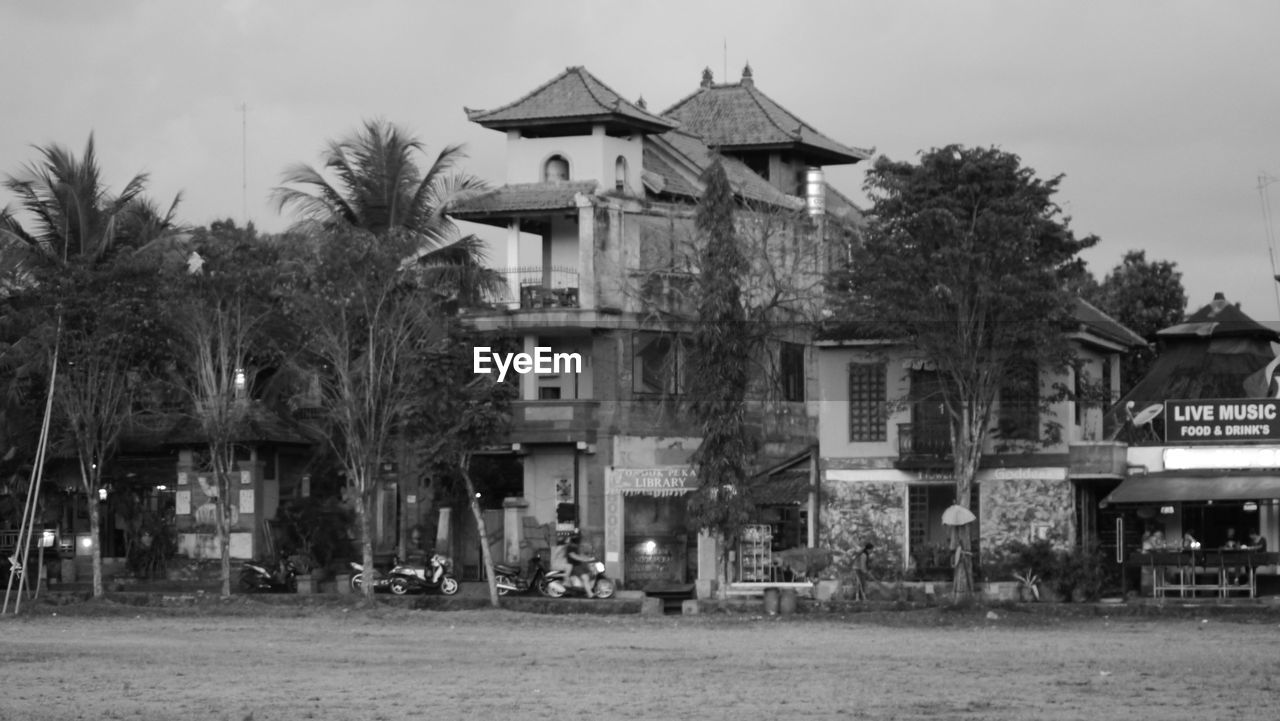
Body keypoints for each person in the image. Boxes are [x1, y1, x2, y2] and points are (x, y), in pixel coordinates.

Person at [565, 534, 594, 598]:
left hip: (580, 565)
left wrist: (589, 558)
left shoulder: (577, 547)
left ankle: (586, 589)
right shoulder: (570, 547)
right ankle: (590, 594)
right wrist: (585, 559)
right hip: (575, 566)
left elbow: (582, 555)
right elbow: (574, 556)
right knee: (585, 577)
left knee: (592, 574)